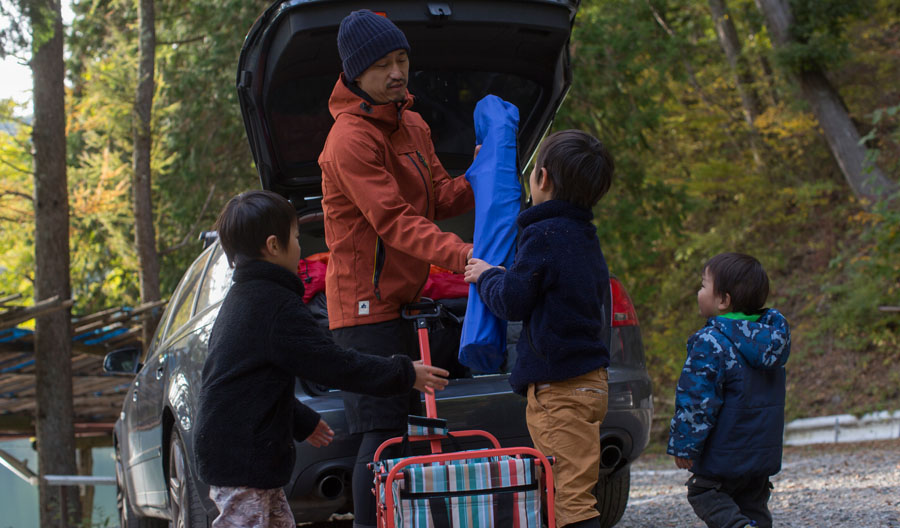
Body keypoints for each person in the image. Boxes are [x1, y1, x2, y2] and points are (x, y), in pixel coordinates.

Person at [194, 190, 450, 528]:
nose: (300, 247)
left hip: (239, 450)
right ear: (273, 245)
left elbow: (256, 382)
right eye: (297, 238)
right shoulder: (273, 304)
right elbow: (333, 364)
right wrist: (404, 372)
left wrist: (302, 421)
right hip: (242, 459)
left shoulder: (244, 299)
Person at [317, 10, 475, 528]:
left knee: (412, 430)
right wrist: (462, 255)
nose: (397, 72)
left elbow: (438, 196)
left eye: (401, 59)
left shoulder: (412, 123)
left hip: (404, 300)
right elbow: (394, 220)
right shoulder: (349, 139)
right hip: (363, 310)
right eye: (382, 64)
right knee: (381, 434)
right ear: (355, 74)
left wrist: (484, 172)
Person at [464, 129, 615, 528]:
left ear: (543, 179)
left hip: (560, 391)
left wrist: (485, 278)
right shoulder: (583, 234)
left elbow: (513, 300)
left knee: (571, 503)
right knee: (567, 492)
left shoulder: (543, 234)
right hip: (590, 384)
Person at [668, 252, 791, 528]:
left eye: (703, 285)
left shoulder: (710, 342)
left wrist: (684, 444)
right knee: (752, 503)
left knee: (704, 492)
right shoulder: (770, 339)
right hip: (761, 453)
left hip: (724, 453)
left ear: (723, 300)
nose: (699, 291)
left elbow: (697, 400)